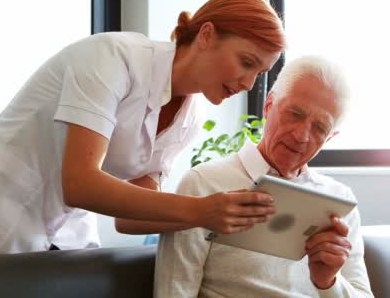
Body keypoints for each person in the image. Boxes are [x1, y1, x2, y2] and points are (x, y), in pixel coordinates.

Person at [0, 0, 286, 255]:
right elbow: (79, 183)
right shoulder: (113, 58)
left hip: (67, 227)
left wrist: (226, 219)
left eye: (260, 74)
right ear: (207, 35)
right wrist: (200, 210)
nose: (248, 84)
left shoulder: (190, 118)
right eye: (246, 62)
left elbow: (129, 219)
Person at [154, 56, 373, 297]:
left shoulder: (339, 201)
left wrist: (328, 283)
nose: (301, 135)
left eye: (320, 127)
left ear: (329, 138)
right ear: (268, 105)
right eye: (295, 114)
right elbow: (173, 290)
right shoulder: (204, 183)